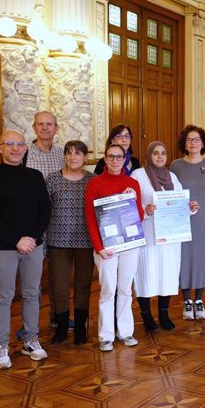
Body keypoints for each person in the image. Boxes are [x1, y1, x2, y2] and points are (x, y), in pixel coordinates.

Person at [0, 130, 51, 370]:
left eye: (20, 144)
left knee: (32, 294)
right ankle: (1, 346)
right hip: (2, 249)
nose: (15, 148)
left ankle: (30, 340)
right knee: (3, 297)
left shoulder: (35, 176)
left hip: (33, 247)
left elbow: (45, 210)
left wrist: (32, 238)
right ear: (0, 148)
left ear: (25, 148)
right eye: (10, 144)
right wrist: (17, 240)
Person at [132, 141, 199, 332]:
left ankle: (163, 313)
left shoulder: (172, 177)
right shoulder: (138, 175)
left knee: (167, 275)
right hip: (149, 235)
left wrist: (191, 208)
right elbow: (130, 204)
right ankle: (146, 316)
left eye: (163, 153)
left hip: (170, 238)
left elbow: (179, 204)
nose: (160, 157)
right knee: (146, 274)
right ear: (148, 155)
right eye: (155, 153)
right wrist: (145, 211)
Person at [85, 143, 144, 351]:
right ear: (105, 159)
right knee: (108, 289)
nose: (115, 161)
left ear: (125, 159)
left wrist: (132, 198)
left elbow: (139, 217)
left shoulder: (132, 183)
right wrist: (99, 247)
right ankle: (106, 335)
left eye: (119, 157)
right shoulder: (95, 183)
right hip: (106, 247)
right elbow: (91, 219)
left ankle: (125, 332)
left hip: (129, 245)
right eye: (111, 157)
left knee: (125, 289)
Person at [20, 111, 66, 337]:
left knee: (58, 275)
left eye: (50, 124)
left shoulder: (63, 154)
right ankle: (31, 324)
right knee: (32, 279)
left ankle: (58, 317)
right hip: (34, 224)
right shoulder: (25, 154)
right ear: (34, 127)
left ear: (56, 128)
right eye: (41, 124)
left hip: (60, 222)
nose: (45, 128)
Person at [45, 140, 96, 345]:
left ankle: (81, 328)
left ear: (85, 157)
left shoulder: (94, 180)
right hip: (58, 240)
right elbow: (44, 211)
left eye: (78, 153)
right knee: (59, 287)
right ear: (64, 156)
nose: (73, 157)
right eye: (69, 153)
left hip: (86, 240)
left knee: (83, 285)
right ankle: (62, 326)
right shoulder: (52, 180)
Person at [170, 125, 205, 320]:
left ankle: (199, 300)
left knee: (202, 259)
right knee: (183, 258)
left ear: (203, 143)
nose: (193, 143)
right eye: (190, 139)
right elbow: (171, 194)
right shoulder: (176, 166)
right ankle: (186, 300)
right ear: (184, 143)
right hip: (181, 220)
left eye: (197, 139)